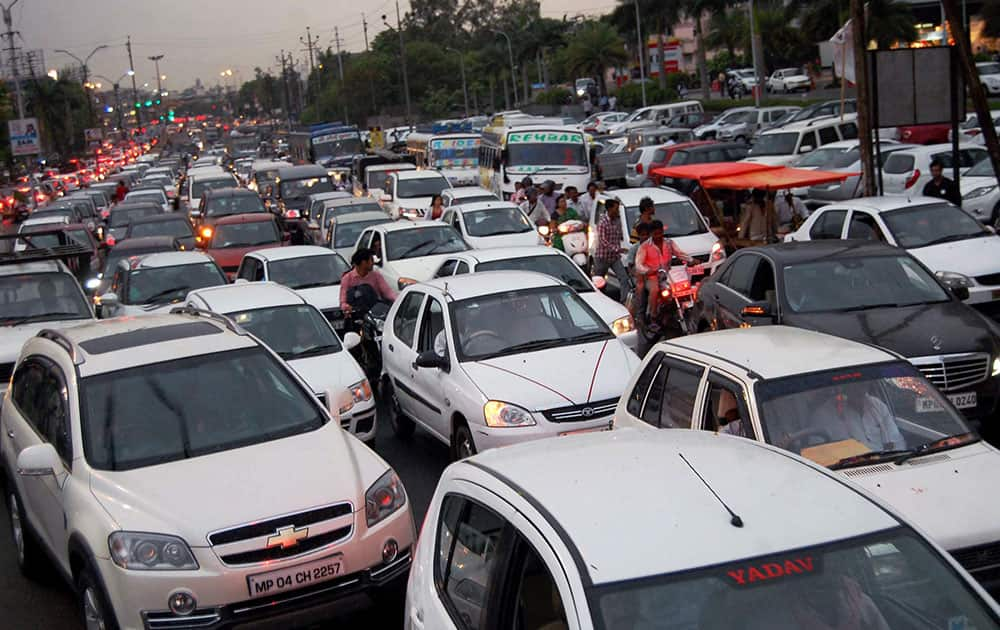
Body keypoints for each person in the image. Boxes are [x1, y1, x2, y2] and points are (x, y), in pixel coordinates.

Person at [635, 219, 692, 326]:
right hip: (652, 277)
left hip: (668, 275)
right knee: (655, 290)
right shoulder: (644, 247)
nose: (658, 236)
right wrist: (649, 270)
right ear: (651, 233)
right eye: (655, 234)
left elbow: (680, 254)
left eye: (660, 233)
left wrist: (692, 260)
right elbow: (639, 265)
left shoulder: (669, 243)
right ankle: (653, 315)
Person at [339, 248, 397, 317]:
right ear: (364, 262)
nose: (373, 263)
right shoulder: (347, 278)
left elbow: (388, 292)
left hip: (375, 314)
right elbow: (343, 300)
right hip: (356, 315)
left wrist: (398, 301)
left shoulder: (376, 276)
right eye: (371, 260)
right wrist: (347, 307)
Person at [593, 198, 629, 301]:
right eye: (616, 208)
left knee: (624, 279)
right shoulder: (603, 222)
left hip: (614, 257)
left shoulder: (617, 221)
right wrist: (618, 249)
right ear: (609, 209)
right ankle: (599, 301)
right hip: (602, 257)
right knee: (598, 282)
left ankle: (624, 301)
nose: (617, 211)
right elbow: (603, 240)